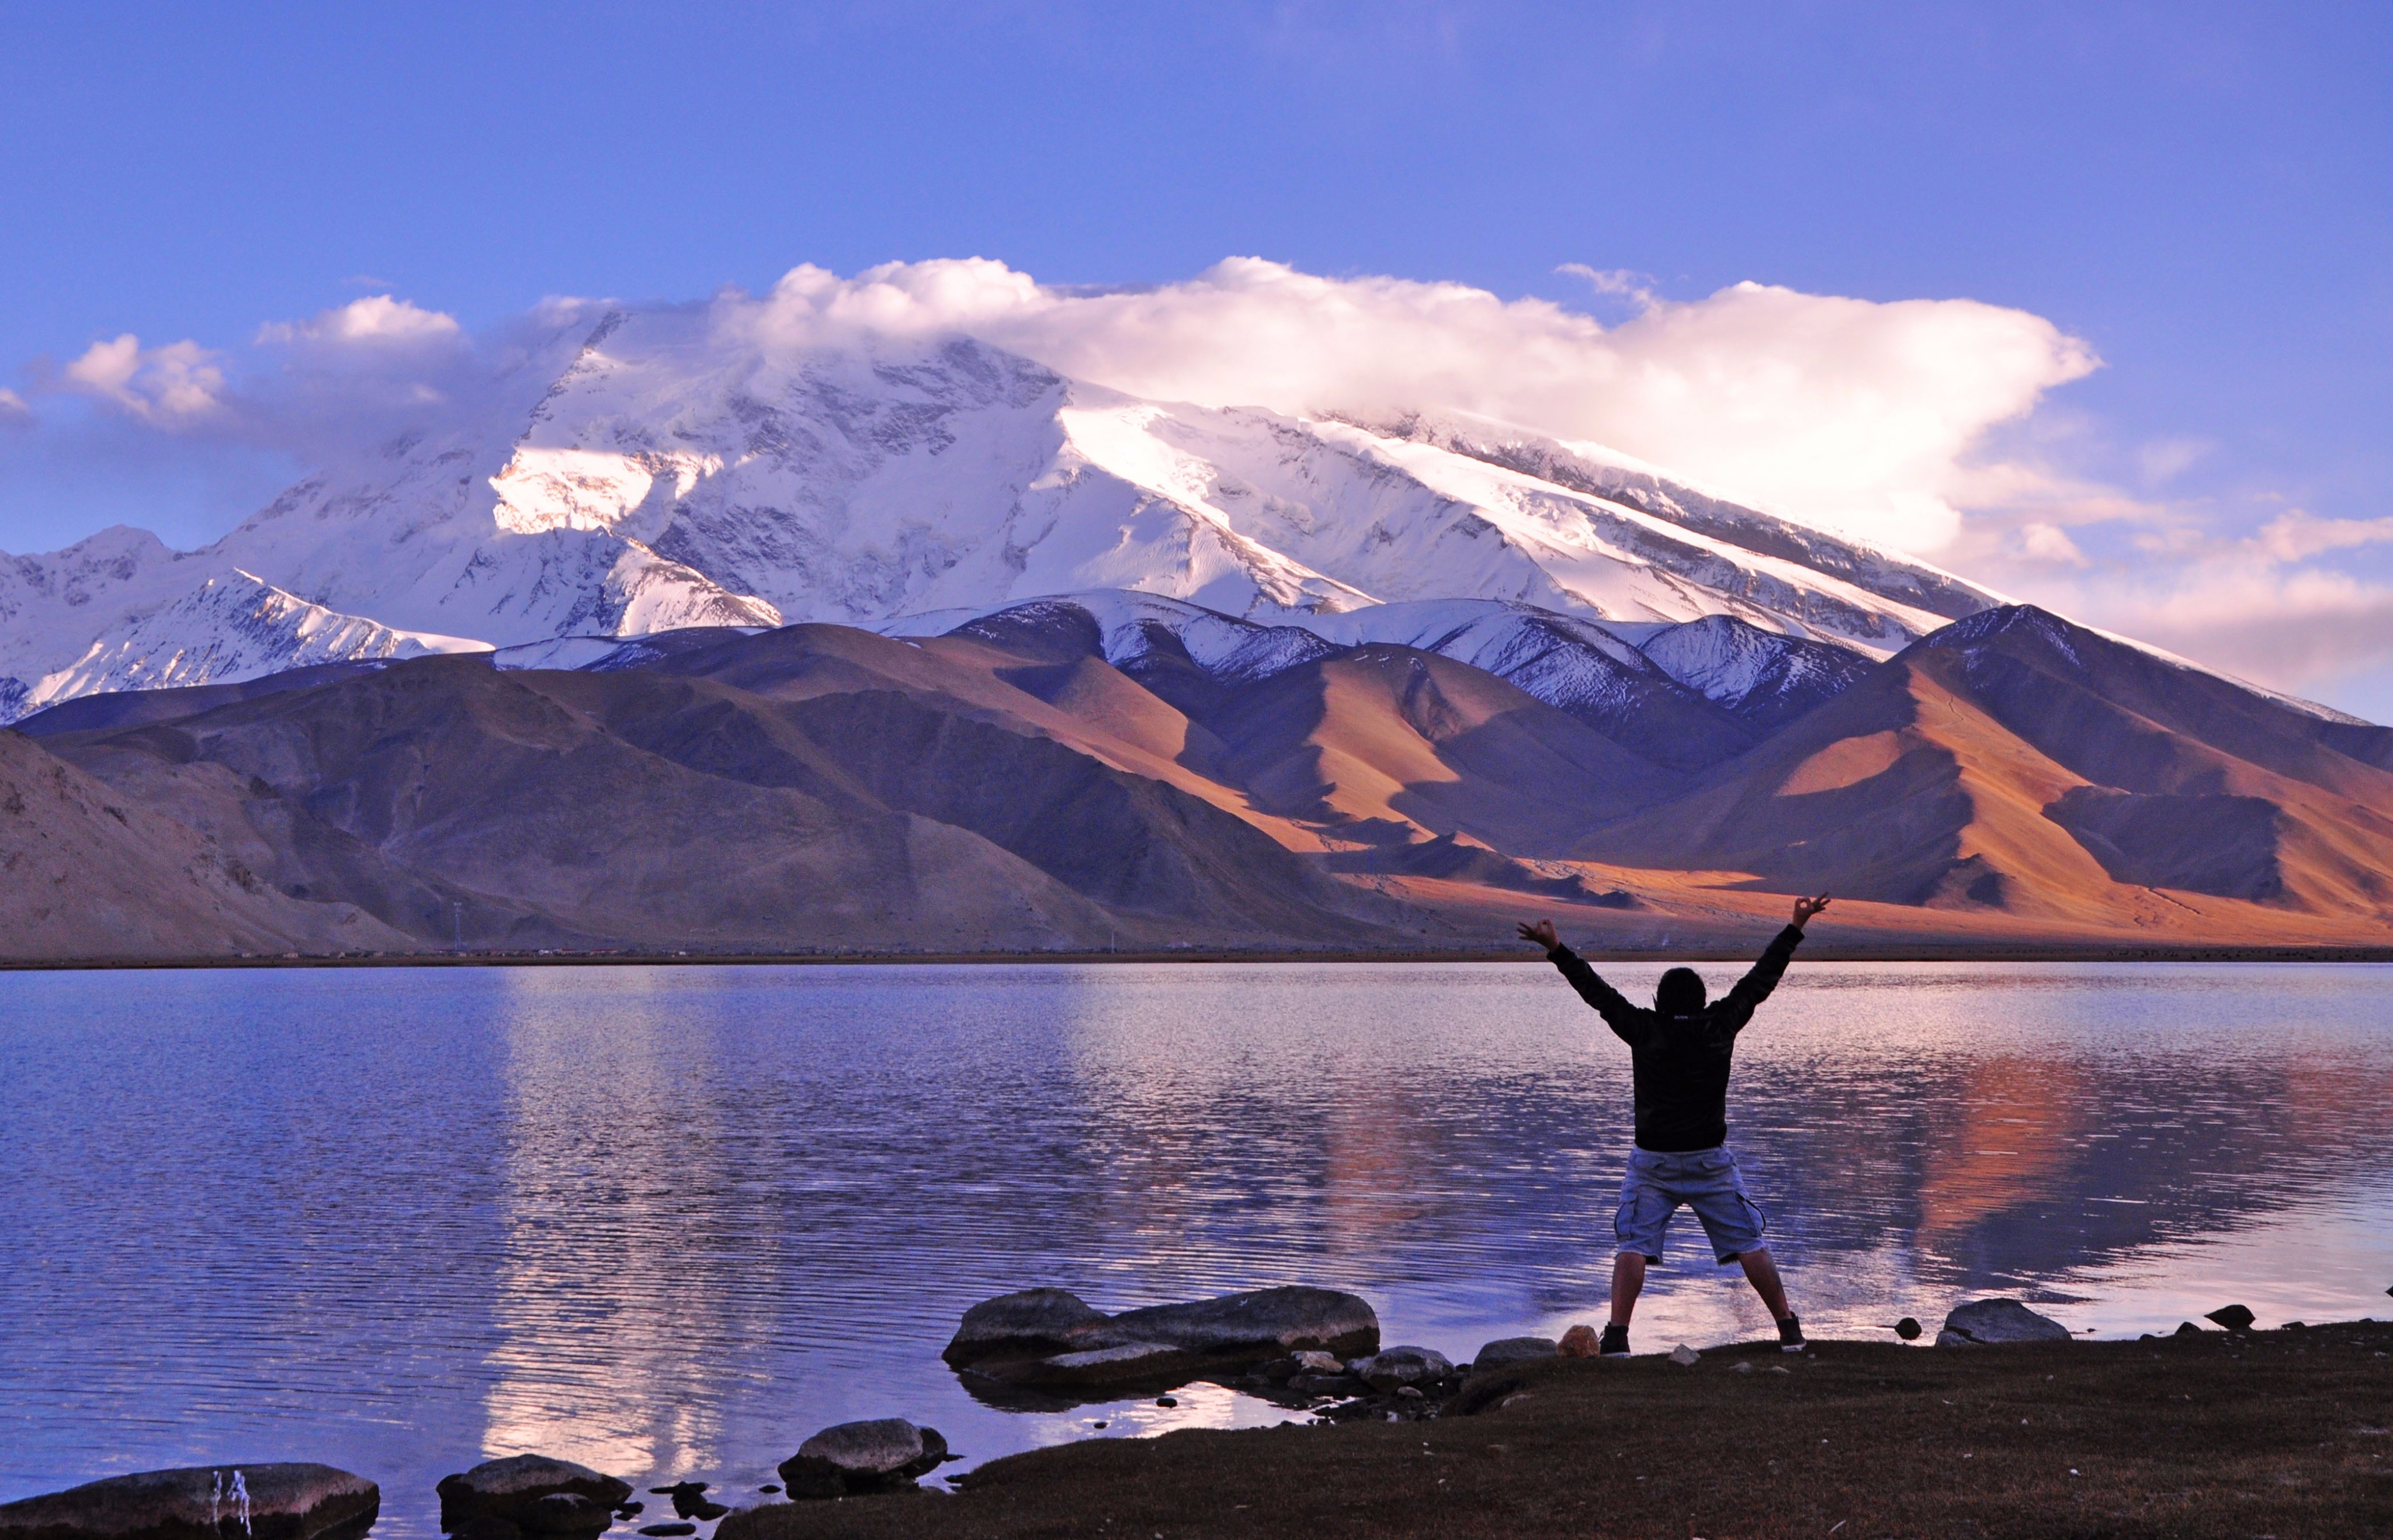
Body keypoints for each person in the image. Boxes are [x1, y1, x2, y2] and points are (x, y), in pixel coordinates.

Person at [1518, 895, 1830, 1357]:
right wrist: (1796, 926)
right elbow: (1761, 979)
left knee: (1633, 1244)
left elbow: (1597, 993)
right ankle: (1788, 1330)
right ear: (1702, 1001)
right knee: (1750, 1242)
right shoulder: (1719, 1024)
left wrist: (1556, 949)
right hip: (1710, 1163)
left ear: (1659, 1002)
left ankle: (1618, 1337)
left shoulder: (1645, 1029)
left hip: (1653, 1163)